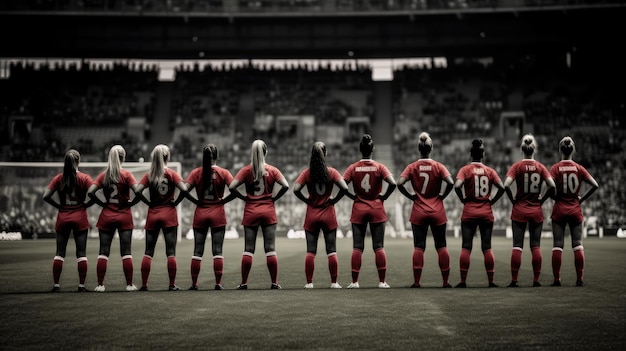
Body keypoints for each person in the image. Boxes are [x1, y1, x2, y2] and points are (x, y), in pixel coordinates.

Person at [293, 141, 355, 289]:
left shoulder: (306, 173)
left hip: (312, 214)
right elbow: (345, 188)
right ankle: (334, 282)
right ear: (325, 154)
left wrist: (307, 200)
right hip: (328, 213)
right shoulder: (332, 172)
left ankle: (309, 283)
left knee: (310, 251)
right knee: (331, 250)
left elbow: (295, 189)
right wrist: (334, 199)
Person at [229, 139, 290, 290]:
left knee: (248, 249)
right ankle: (274, 283)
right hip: (268, 210)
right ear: (265, 152)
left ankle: (244, 283)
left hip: (251, 210)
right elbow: (286, 185)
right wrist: (274, 197)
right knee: (270, 248)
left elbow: (232, 187)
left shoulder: (246, 170)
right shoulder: (273, 170)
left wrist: (244, 197)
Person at [397, 132, 454, 288]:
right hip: (437, 210)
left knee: (419, 246)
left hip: (419, 211)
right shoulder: (438, 166)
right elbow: (450, 182)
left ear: (418, 149)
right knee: (441, 245)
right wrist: (442, 196)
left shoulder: (412, 167)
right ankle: (445, 282)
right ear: (431, 148)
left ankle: (416, 282)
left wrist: (412, 196)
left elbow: (399, 183)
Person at [343, 134, 396, 289]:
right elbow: (393, 183)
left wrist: (352, 196)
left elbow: (342, 184)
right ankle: (382, 282)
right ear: (373, 149)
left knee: (357, 247)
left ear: (360, 150)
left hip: (359, 207)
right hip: (376, 208)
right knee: (378, 246)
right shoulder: (380, 167)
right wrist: (383, 196)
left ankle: (354, 282)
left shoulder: (352, 167)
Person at [503, 133, 556, 287]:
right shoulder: (540, 167)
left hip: (519, 209)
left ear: (522, 149)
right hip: (535, 210)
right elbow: (552, 186)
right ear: (534, 149)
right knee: (535, 246)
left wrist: (512, 199)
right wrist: (542, 199)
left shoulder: (517, 167)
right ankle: (536, 280)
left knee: (517, 246)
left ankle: (514, 280)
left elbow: (506, 185)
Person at [134, 144, 188, 291]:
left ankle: (144, 284)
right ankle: (171, 284)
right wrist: (175, 202)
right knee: (170, 252)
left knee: (148, 251)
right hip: (169, 213)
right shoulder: (171, 173)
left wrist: (148, 203)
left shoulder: (150, 174)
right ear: (167, 157)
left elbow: (137, 191)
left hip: (154, 213)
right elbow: (184, 189)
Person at [453, 139, 505, 288]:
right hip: (486, 212)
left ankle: (463, 281)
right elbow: (501, 188)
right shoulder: (490, 171)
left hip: (469, 210)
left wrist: (463, 199)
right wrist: (491, 201)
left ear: (471, 154)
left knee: (466, 246)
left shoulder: (465, 170)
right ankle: (491, 281)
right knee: (487, 247)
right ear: (483, 154)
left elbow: (457, 186)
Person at [183, 144, 236, 291]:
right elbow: (235, 189)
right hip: (217, 212)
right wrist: (223, 200)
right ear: (217, 156)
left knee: (197, 250)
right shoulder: (224, 173)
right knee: (217, 250)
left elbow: (184, 189)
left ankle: (194, 284)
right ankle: (218, 283)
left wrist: (195, 201)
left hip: (201, 212)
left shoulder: (196, 173)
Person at [87, 145, 140, 292]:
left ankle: (100, 285)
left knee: (103, 251)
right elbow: (139, 192)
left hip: (107, 215)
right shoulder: (127, 175)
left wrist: (102, 203)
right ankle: (129, 285)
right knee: (126, 252)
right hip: (124, 215)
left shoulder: (104, 175)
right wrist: (132, 203)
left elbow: (90, 192)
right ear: (123, 157)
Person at [549, 136, 599, 287]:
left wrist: (555, 196)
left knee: (558, 244)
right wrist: (581, 199)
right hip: (575, 209)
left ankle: (557, 279)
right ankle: (579, 279)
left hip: (559, 209)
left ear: (560, 150)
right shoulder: (579, 168)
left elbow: (550, 188)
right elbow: (595, 185)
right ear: (573, 150)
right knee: (578, 244)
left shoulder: (555, 168)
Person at [43, 149, 94, 292]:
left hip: (63, 216)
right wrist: (86, 204)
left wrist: (59, 206)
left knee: (59, 252)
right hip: (80, 216)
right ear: (78, 160)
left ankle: (56, 285)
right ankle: (81, 285)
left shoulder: (59, 178)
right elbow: (95, 193)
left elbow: (46, 196)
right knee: (81, 253)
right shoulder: (85, 178)